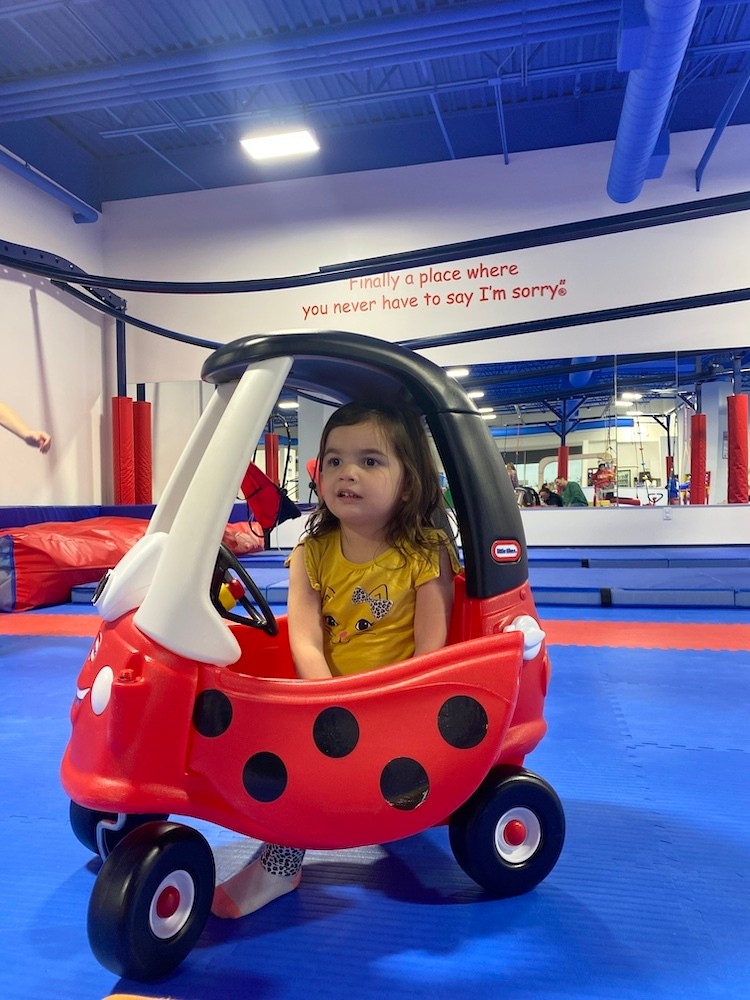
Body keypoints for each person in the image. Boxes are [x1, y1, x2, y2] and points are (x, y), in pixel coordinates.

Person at [212, 400, 460, 919]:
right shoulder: (311, 552)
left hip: (398, 702)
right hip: (328, 696)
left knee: (305, 772)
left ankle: (280, 864)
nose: (348, 472)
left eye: (371, 461)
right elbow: (303, 638)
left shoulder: (425, 551)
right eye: (334, 461)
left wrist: (384, 705)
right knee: (272, 746)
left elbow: (431, 647)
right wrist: (326, 697)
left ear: (408, 483)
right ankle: (282, 848)